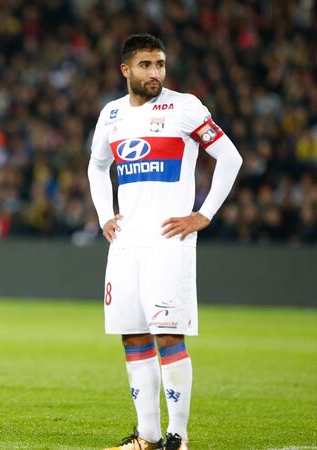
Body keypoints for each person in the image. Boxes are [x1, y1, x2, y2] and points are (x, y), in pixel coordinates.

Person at [87, 34, 242, 450]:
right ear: (126, 70)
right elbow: (97, 166)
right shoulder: (112, 114)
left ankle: (178, 437)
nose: (155, 72)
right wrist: (104, 216)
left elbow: (230, 157)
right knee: (133, 335)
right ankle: (149, 437)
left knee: (168, 335)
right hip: (126, 243)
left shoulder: (185, 107)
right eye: (146, 65)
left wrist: (204, 214)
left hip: (169, 240)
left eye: (160, 64)